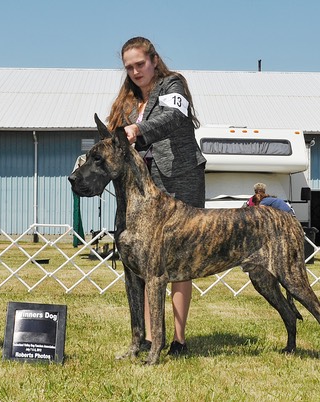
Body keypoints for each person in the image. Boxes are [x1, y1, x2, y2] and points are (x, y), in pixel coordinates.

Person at [107, 37, 206, 356]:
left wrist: (139, 131)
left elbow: (174, 118)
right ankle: (148, 339)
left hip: (180, 178)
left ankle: (178, 340)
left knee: (181, 260)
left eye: (140, 64)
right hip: (141, 189)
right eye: (129, 67)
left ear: (153, 59)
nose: (136, 71)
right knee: (143, 263)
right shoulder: (126, 100)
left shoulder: (172, 85)